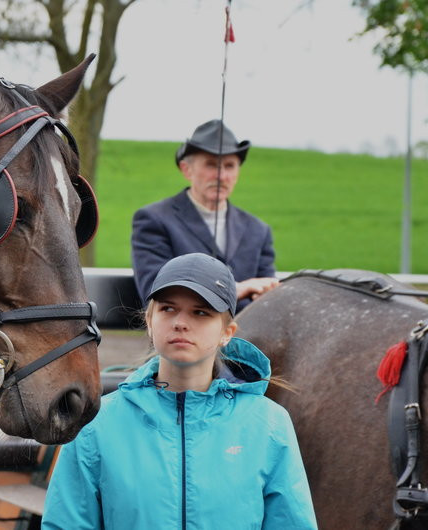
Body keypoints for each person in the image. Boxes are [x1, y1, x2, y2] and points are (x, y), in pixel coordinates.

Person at [42, 253, 317, 529]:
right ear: (149, 321)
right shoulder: (96, 426)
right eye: (168, 309)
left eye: (200, 312)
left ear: (227, 332)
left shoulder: (269, 425)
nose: (181, 322)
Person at [131, 119, 278, 312]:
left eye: (229, 166)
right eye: (211, 165)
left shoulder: (258, 230)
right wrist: (236, 289)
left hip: (247, 339)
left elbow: (269, 294)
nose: (221, 176)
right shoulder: (154, 220)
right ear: (186, 169)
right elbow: (156, 290)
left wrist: (266, 292)